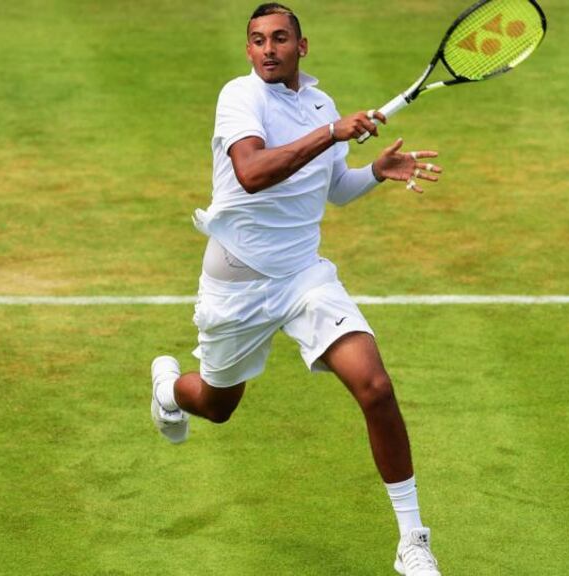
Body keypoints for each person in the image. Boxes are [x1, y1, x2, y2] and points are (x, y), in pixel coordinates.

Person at [149, 4, 445, 575]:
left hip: (304, 279)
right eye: (257, 40)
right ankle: (169, 389)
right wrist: (330, 132)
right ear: (248, 50)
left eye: (280, 39)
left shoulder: (319, 102)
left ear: (301, 47)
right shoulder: (241, 98)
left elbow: (332, 188)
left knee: (376, 387)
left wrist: (376, 174)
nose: (268, 49)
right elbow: (253, 173)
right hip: (235, 286)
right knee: (215, 405)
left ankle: (413, 542)